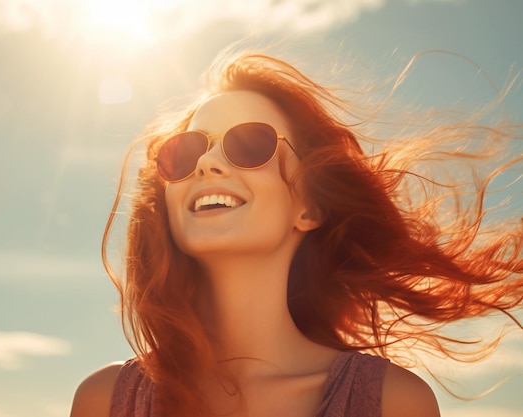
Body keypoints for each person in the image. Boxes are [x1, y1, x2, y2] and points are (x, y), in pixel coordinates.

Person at [70, 51, 523, 417]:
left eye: (249, 144)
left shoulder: (392, 404)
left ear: (309, 207)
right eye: (186, 151)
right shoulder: (106, 401)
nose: (207, 164)